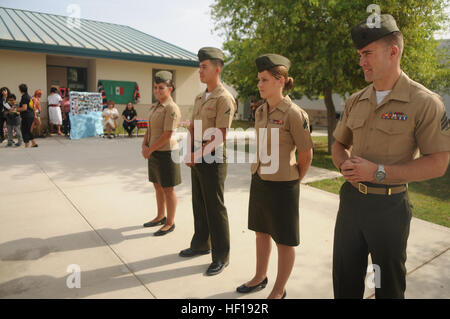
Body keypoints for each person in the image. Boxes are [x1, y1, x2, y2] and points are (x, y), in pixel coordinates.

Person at [332, 14, 450, 299]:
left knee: (387, 288)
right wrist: (344, 165)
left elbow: (438, 163)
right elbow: (338, 145)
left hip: (389, 209)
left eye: (368, 53)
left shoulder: (424, 102)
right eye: (360, 55)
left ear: (393, 51)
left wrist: (378, 172)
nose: (362, 62)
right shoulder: (355, 100)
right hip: (351, 203)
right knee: (345, 283)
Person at [236, 54, 313, 299]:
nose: (259, 84)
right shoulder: (260, 112)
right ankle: (259, 277)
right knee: (261, 232)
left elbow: (306, 154)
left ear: (281, 81)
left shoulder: (294, 113)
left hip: (283, 185)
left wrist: (293, 180)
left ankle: (279, 289)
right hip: (260, 180)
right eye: (259, 79)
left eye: (264, 80)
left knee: (284, 240)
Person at [179, 47, 236, 276]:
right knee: (199, 203)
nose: (200, 71)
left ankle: (221, 256)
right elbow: (193, 126)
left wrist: (198, 153)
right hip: (198, 154)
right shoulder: (200, 97)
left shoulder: (225, 98)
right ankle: (201, 243)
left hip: (213, 156)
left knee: (215, 207)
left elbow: (221, 134)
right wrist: (190, 149)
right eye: (199, 66)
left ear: (217, 68)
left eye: (204, 67)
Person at [141, 71, 182, 236]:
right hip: (153, 152)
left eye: (161, 88)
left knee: (168, 189)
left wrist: (150, 149)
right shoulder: (155, 106)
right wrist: (144, 144)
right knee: (157, 186)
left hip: (167, 153)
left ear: (170, 89)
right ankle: (160, 216)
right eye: (156, 87)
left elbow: (167, 134)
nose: (157, 91)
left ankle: (170, 222)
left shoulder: (171, 108)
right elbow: (149, 129)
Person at [17, 84, 38, 148]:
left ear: (20, 90)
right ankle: (34, 143)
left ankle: (26, 146)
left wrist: (16, 109)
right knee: (28, 130)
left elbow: (24, 108)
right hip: (30, 115)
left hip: (26, 116)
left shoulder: (24, 97)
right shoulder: (28, 96)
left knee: (24, 130)